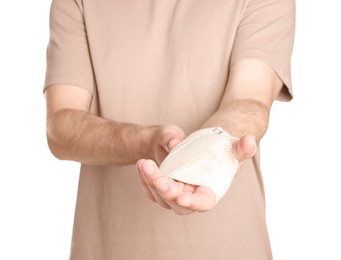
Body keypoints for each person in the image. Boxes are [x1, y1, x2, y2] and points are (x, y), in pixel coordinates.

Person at [43, 0, 295, 259]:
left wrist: (208, 152)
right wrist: (145, 142)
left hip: (230, 248)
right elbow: (61, 124)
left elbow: (249, 98)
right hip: (106, 249)